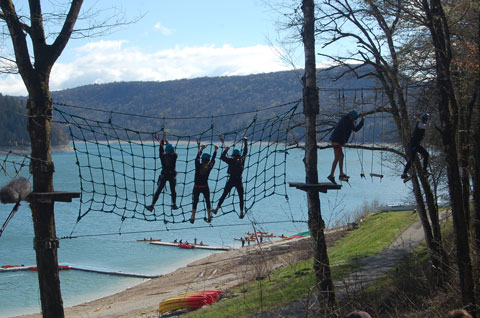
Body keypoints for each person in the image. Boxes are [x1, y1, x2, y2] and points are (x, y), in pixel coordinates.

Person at [213, 137, 248, 219]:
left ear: (233, 155)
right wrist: (245, 142)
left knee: (224, 194)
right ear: (239, 155)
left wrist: (226, 150)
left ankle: (217, 209)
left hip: (231, 180)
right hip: (239, 180)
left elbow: (222, 157)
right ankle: (241, 212)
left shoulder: (231, 160)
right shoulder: (242, 160)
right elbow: (245, 152)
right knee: (241, 197)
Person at [328, 110, 365, 184]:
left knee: (341, 156)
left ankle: (341, 174)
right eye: (354, 118)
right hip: (336, 141)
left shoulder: (345, 119)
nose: (354, 120)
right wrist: (362, 122)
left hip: (336, 140)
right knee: (337, 157)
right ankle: (331, 175)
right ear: (351, 116)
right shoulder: (348, 121)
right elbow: (356, 129)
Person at [146, 131, 178, 211]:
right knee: (173, 191)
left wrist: (163, 138)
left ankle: (152, 205)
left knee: (158, 191)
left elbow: (162, 148)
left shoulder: (162, 156)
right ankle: (174, 204)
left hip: (164, 175)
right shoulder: (174, 156)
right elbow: (169, 149)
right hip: (172, 175)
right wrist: (165, 140)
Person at [190, 142, 218, 224]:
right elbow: (213, 160)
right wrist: (215, 151)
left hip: (197, 187)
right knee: (208, 201)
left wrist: (201, 149)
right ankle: (209, 216)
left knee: (195, 202)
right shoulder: (209, 167)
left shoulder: (198, 165)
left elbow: (196, 158)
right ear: (208, 160)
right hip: (205, 187)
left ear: (202, 159)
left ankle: (193, 217)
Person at [401, 113, 430, 180]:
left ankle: (404, 174)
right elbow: (426, 126)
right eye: (426, 120)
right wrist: (429, 119)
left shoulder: (421, 124)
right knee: (426, 155)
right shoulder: (419, 124)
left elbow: (426, 126)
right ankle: (424, 170)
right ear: (424, 120)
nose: (426, 122)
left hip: (412, 145)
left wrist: (428, 119)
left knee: (412, 160)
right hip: (414, 145)